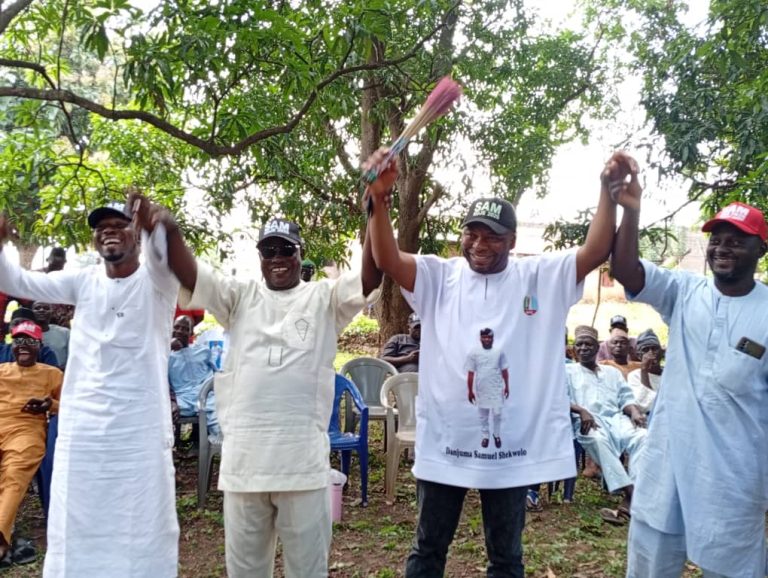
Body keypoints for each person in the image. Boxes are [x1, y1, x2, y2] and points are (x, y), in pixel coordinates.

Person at [363, 147, 634, 577]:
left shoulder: (537, 278)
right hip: (446, 443)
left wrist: (606, 191)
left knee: (506, 557)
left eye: (491, 235)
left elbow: (595, 249)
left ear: (512, 240)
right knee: (428, 548)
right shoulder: (441, 277)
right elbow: (388, 260)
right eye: (472, 233)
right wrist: (378, 200)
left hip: (511, 450)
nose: (479, 244)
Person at [163, 214, 380, 577]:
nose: (277, 257)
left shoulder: (323, 298)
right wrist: (170, 231)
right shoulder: (240, 296)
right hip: (245, 467)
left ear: (300, 253)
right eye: (268, 250)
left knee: (308, 571)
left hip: (304, 468)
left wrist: (376, 209)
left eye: (285, 249)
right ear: (259, 256)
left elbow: (371, 277)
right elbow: (192, 276)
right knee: (245, 571)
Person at [0, 196, 180, 577]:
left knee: (143, 523)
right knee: (77, 521)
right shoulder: (83, 280)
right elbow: (17, 281)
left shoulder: (157, 281)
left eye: (119, 225)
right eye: (101, 228)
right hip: (83, 432)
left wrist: (156, 225)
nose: (108, 232)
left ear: (137, 236)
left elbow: (169, 258)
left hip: (138, 431)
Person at [611, 166, 768, 577]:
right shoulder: (684, 291)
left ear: (761, 251)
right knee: (649, 569)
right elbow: (626, 271)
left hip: (734, 478)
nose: (722, 248)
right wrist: (630, 210)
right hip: (667, 464)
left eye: (737, 241)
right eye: (716, 240)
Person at [566, 325, 647, 525]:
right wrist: (581, 411)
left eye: (588, 344)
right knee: (597, 439)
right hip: (588, 421)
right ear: (574, 349)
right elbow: (558, 398)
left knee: (644, 438)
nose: (583, 348)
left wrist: (635, 411)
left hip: (618, 419)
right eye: (579, 345)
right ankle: (632, 494)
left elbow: (626, 399)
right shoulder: (567, 371)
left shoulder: (612, 372)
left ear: (597, 347)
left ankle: (632, 496)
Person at [0, 320, 62, 566]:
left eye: (29, 341)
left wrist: (50, 405)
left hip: (26, 431)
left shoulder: (52, 374)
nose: (23, 346)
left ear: (39, 345)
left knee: (13, 476)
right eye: (18, 341)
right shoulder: (2, 370)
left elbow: (73, 404)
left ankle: (1, 538)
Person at [168, 315, 219, 437]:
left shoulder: (204, 351)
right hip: (183, 400)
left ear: (191, 333)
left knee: (220, 427)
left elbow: (218, 373)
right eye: (177, 327)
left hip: (208, 396)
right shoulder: (164, 356)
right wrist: (171, 402)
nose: (180, 331)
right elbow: (162, 383)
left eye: (185, 328)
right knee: (162, 413)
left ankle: (216, 451)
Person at [465, 328, 509, 449]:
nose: (487, 339)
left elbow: (504, 370)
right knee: (483, 416)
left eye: (489, 337)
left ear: (492, 338)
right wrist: (470, 391)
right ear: (480, 338)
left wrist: (507, 387)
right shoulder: (474, 353)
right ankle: (485, 436)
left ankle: (497, 435)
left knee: (497, 414)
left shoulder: (499, 352)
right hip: (482, 389)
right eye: (484, 337)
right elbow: (471, 373)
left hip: (496, 388)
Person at [626, 329, 663, 415]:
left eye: (654, 349)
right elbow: (642, 406)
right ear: (639, 355)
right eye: (646, 350)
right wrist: (644, 371)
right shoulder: (634, 376)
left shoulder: (670, 373)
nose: (651, 353)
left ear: (661, 352)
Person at [32, 302, 70, 370]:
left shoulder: (65, 333)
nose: (41, 310)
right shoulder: (26, 334)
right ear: (31, 312)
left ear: (51, 312)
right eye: (37, 308)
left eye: (46, 308)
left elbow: (72, 356)